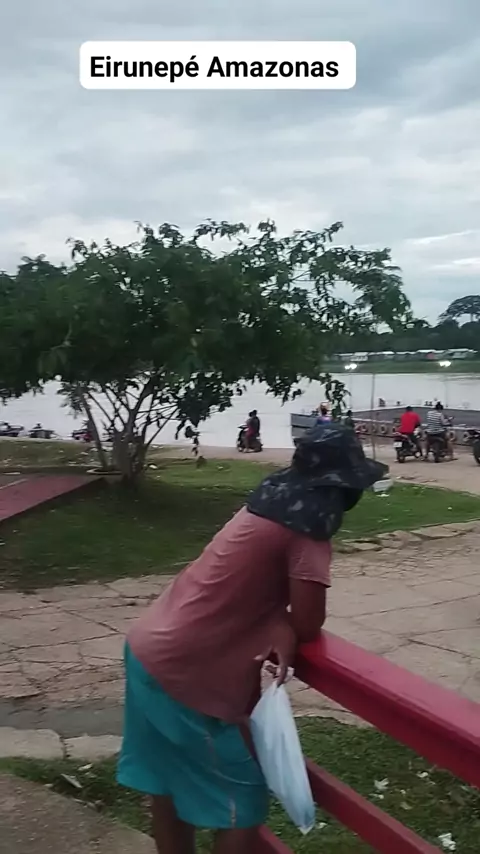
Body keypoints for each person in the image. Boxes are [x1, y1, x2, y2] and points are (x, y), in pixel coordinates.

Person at [116, 424, 387, 854]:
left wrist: (276, 620)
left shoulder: (266, 505)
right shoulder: (307, 528)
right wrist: (284, 623)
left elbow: (251, 585)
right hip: (183, 672)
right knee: (241, 803)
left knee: (167, 785)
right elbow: (309, 622)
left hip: (148, 647)